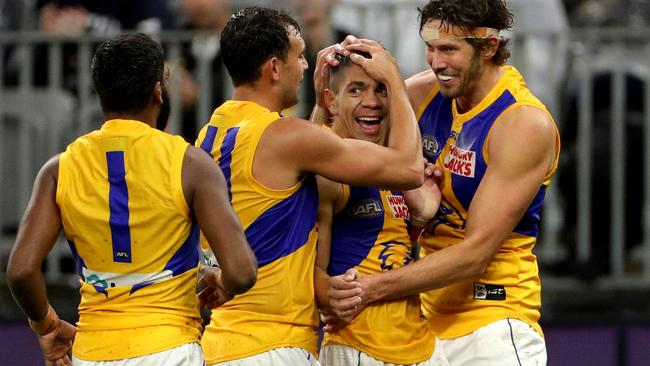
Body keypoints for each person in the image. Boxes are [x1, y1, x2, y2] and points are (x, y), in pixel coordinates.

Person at [327, 1, 561, 364]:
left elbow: (474, 256)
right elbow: (337, 146)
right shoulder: (421, 94)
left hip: (493, 322)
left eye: (449, 49)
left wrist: (366, 290)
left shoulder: (523, 123)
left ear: (489, 47)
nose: (436, 62)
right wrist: (323, 97)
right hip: (422, 325)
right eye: (430, 48)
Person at [6, 32, 258, 366]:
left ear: (101, 94)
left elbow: (21, 270)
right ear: (158, 91)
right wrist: (220, 281)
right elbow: (242, 272)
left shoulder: (59, 168)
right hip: (170, 349)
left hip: (92, 352)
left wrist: (47, 326)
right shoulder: (190, 163)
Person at [194, 6, 423, 366]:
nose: (304, 67)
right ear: (273, 68)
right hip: (272, 347)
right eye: (299, 56)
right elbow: (409, 169)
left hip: (223, 342)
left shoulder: (211, 133)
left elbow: (294, 180)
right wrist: (394, 81)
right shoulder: (284, 136)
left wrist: (320, 108)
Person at [313, 52, 446, 366]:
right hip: (359, 347)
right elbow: (305, 266)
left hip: (422, 346)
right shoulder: (326, 169)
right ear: (332, 100)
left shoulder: (393, 163)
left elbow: (388, 245)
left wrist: (419, 217)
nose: (371, 101)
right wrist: (326, 295)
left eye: (381, 89)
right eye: (356, 90)